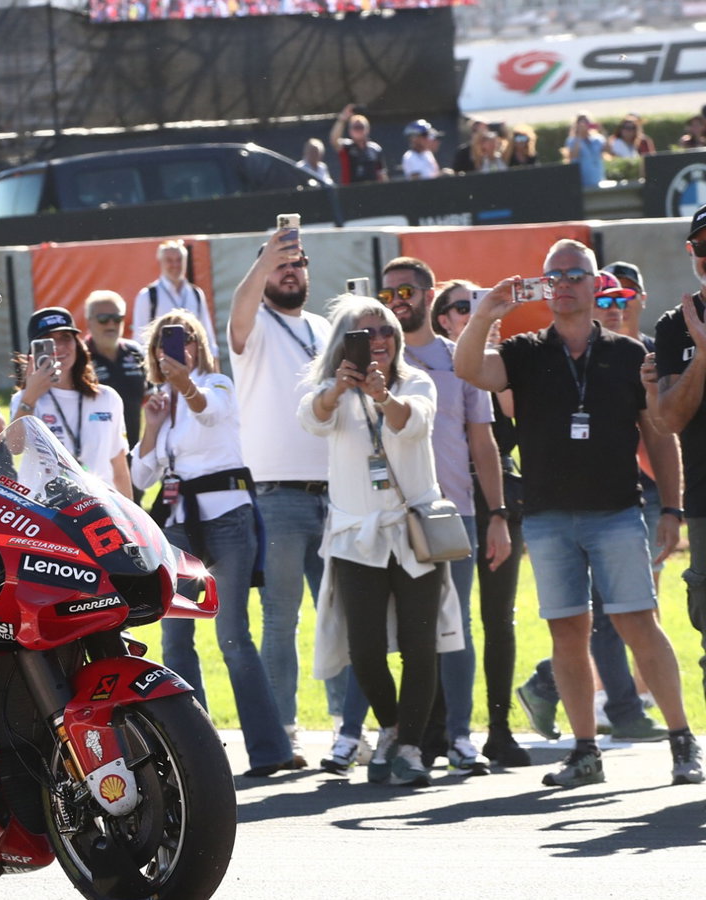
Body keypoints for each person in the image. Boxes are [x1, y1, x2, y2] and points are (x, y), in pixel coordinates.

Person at [457, 238, 702, 788]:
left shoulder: (628, 353)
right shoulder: (524, 349)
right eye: (554, 276)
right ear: (544, 288)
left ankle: (683, 740)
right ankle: (586, 752)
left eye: (574, 274)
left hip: (616, 510)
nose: (564, 284)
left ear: (595, 285)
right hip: (546, 516)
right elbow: (469, 368)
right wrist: (485, 313)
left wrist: (670, 505)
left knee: (640, 623)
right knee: (568, 631)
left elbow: (660, 437)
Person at [131, 308, 294, 778]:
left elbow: (211, 412)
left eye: (181, 341)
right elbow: (142, 476)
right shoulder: (159, 401)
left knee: (233, 636)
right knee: (175, 639)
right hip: (178, 528)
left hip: (227, 521)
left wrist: (186, 386)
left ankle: (269, 749)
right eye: (163, 344)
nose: (172, 352)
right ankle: (197, 755)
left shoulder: (217, 385)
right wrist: (151, 427)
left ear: (197, 346)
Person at [517, 270, 674, 744]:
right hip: (595, 500)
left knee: (635, 608)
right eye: (604, 297)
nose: (613, 306)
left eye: (622, 296)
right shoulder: (559, 355)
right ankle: (621, 706)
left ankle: (552, 685)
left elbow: (659, 433)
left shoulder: (642, 353)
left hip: (638, 494)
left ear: (639, 300)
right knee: (606, 612)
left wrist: (671, 500)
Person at [375, 257, 515, 772]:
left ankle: (460, 737)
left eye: (406, 291)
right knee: (396, 635)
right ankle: (402, 738)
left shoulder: (462, 360)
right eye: (388, 295)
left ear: (429, 294)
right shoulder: (378, 362)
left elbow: (483, 440)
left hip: (450, 513)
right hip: (387, 517)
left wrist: (497, 513)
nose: (397, 302)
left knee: (454, 630)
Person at [300, 295, 444, 788]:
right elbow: (311, 419)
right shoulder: (328, 391)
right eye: (365, 334)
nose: (378, 341)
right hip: (355, 538)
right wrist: (339, 387)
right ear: (345, 342)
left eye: (385, 332)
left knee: (419, 646)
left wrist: (384, 397)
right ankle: (392, 727)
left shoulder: (417, 380)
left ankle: (408, 748)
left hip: (413, 532)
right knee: (363, 649)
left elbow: (413, 422)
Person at [227, 223, 335, 765]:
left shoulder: (322, 326)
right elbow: (238, 315)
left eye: (298, 263)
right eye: (279, 265)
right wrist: (267, 253)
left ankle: (347, 730)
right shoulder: (256, 324)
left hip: (339, 492)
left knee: (339, 616)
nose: (290, 271)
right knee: (281, 620)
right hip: (276, 495)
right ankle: (283, 730)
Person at [653, 205, 706, 738]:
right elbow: (668, 417)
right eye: (704, 245)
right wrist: (704, 351)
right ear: (693, 254)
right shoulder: (674, 325)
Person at [12, 307, 133, 496]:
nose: (59, 346)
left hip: (100, 507)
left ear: (77, 343)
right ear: (34, 351)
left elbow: (118, 466)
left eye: (65, 337)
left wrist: (130, 521)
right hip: (44, 512)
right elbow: (14, 447)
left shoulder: (107, 398)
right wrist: (30, 397)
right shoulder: (24, 401)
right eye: (49, 340)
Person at [83, 290, 147, 464]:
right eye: (103, 319)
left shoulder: (136, 353)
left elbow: (152, 397)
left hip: (131, 453)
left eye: (117, 318)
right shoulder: (79, 357)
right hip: (93, 458)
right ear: (89, 322)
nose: (111, 324)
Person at [132, 239, 216, 362]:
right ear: (160, 262)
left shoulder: (196, 293)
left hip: (194, 365)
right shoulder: (148, 296)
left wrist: (213, 362)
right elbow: (139, 339)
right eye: (169, 260)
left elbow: (207, 333)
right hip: (162, 365)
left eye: (179, 260)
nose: (175, 265)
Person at [328, 104, 387, 184]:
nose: (358, 130)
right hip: (351, 191)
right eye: (355, 127)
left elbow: (382, 174)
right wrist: (342, 119)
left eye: (361, 127)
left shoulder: (375, 149)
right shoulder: (346, 147)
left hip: (373, 191)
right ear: (350, 131)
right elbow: (334, 140)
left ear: (368, 129)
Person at [565, 113, 607, 189]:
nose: (584, 125)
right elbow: (573, 156)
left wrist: (602, 131)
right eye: (581, 123)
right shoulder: (572, 141)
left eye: (587, 122)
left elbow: (608, 151)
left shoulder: (598, 139)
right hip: (582, 183)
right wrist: (579, 135)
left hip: (599, 179)